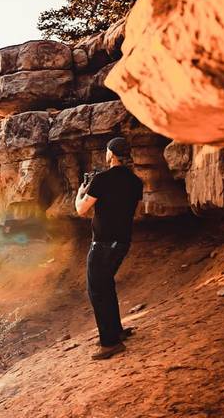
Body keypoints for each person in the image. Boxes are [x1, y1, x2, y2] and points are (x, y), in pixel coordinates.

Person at [74, 136, 144, 360]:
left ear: (111, 154)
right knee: (107, 286)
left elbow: (82, 210)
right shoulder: (136, 182)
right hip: (122, 242)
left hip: (103, 244)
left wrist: (80, 193)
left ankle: (110, 343)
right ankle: (116, 332)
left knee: (97, 290)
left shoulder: (102, 179)